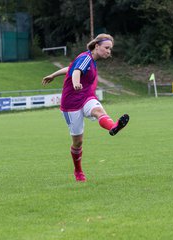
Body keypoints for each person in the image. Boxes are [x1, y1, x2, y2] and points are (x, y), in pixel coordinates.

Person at [42, 33, 129, 182]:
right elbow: (76, 72)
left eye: (110, 49)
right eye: (107, 48)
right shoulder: (86, 58)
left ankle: (113, 126)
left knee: (98, 111)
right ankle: (78, 171)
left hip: (86, 97)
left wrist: (52, 75)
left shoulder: (90, 60)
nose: (109, 51)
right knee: (78, 142)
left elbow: (69, 68)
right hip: (71, 104)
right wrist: (76, 83)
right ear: (97, 46)